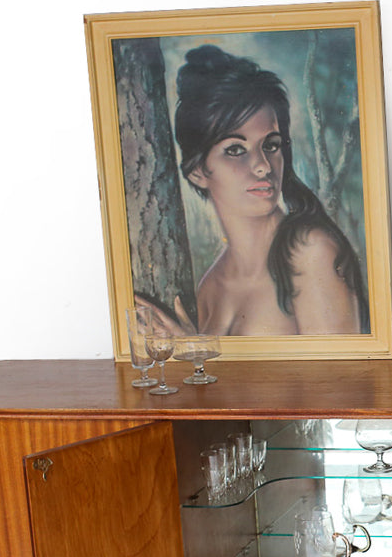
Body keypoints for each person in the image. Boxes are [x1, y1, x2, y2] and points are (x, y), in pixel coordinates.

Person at [152, 44, 368, 337]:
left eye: (271, 145)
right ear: (198, 171)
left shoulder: (310, 252)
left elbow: (346, 367)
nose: (264, 166)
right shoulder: (209, 288)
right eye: (236, 150)